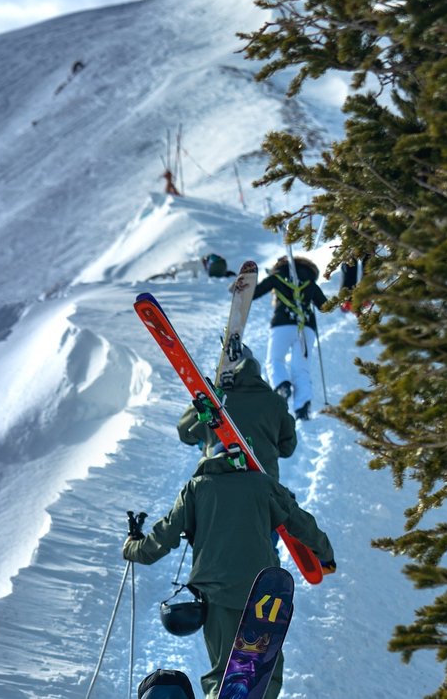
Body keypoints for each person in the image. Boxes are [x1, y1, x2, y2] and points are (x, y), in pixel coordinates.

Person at [123, 446, 335, 699]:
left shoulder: (197, 487)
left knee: (224, 674)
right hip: (264, 592)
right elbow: (301, 522)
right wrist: (325, 555)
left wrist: (134, 548)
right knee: (264, 672)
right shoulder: (262, 484)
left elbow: (165, 535)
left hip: (217, 593)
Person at [176, 346, 296, 481]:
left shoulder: (216, 399)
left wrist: (205, 398)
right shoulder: (275, 402)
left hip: (216, 483)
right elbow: (287, 448)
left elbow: (185, 433)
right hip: (264, 485)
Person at [252, 256, 328, 421]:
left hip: (282, 325)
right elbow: (324, 306)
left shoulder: (277, 277)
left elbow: (254, 293)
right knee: (301, 368)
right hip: (306, 328)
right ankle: (302, 408)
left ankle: (282, 386)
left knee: (275, 361)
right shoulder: (310, 283)